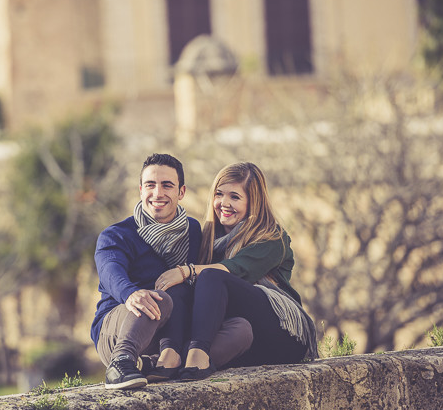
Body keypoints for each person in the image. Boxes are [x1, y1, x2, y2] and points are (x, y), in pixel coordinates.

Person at [91, 153, 253, 389]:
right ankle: (121, 363)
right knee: (160, 299)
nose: (157, 193)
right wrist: (131, 294)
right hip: (123, 327)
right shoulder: (117, 235)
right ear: (140, 190)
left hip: (173, 337)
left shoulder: (194, 232)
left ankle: (164, 365)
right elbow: (109, 271)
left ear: (181, 192)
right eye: (150, 185)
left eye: (167, 185)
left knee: (241, 328)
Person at [154, 161, 318, 381]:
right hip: (245, 340)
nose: (224, 203)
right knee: (181, 287)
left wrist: (186, 271)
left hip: (282, 336)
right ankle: (169, 356)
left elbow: (238, 268)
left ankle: (197, 359)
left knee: (211, 276)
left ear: (254, 203)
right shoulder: (209, 240)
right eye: (219, 194)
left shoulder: (271, 237)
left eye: (235, 197)